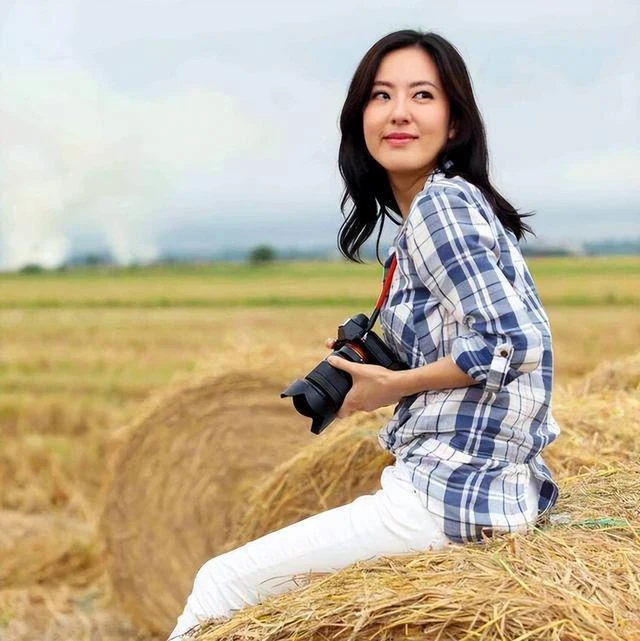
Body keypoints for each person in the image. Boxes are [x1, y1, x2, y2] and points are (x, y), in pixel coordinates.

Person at [168, 29, 560, 639]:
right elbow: (480, 338)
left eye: (422, 95)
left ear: (455, 123)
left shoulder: (440, 209)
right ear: (360, 119)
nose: (399, 111)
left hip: (447, 492)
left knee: (222, 583)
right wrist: (378, 370)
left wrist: (393, 383)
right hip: (488, 488)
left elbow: (516, 342)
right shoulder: (440, 211)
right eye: (381, 96)